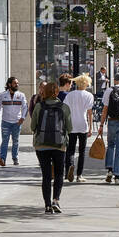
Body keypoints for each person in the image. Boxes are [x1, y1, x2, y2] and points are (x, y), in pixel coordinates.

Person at [30, 81, 71, 214]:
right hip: (59, 145)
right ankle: (56, 200)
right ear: (57, 92)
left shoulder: (38, 106)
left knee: (46, 175)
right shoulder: (64, 107)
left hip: (41, 145)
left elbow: (32, 127)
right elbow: (69, 128)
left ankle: (47, 205)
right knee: (59, 174)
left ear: (44, 92)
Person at [64, 74, 95, 182]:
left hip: (71, 125)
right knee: (82, 151)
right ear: (87, 83)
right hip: (83, 125)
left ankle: (70, 167)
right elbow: (90, 113)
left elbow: (65, 110)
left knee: (70, 150)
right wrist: (91, 128)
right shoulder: (89, 96)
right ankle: (79, 175)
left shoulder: (70, 95)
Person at [0, 76, 27, 167]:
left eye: (17, 83)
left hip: (17, 122)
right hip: (6, 122)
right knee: (5, 141)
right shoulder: (2, 95)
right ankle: (2, 159)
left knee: (16, 141)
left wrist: (22, 118)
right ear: (9, 84)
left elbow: (24, 107)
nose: (17, 85)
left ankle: (15, 157)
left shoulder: (21, 95)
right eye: (15, 83)